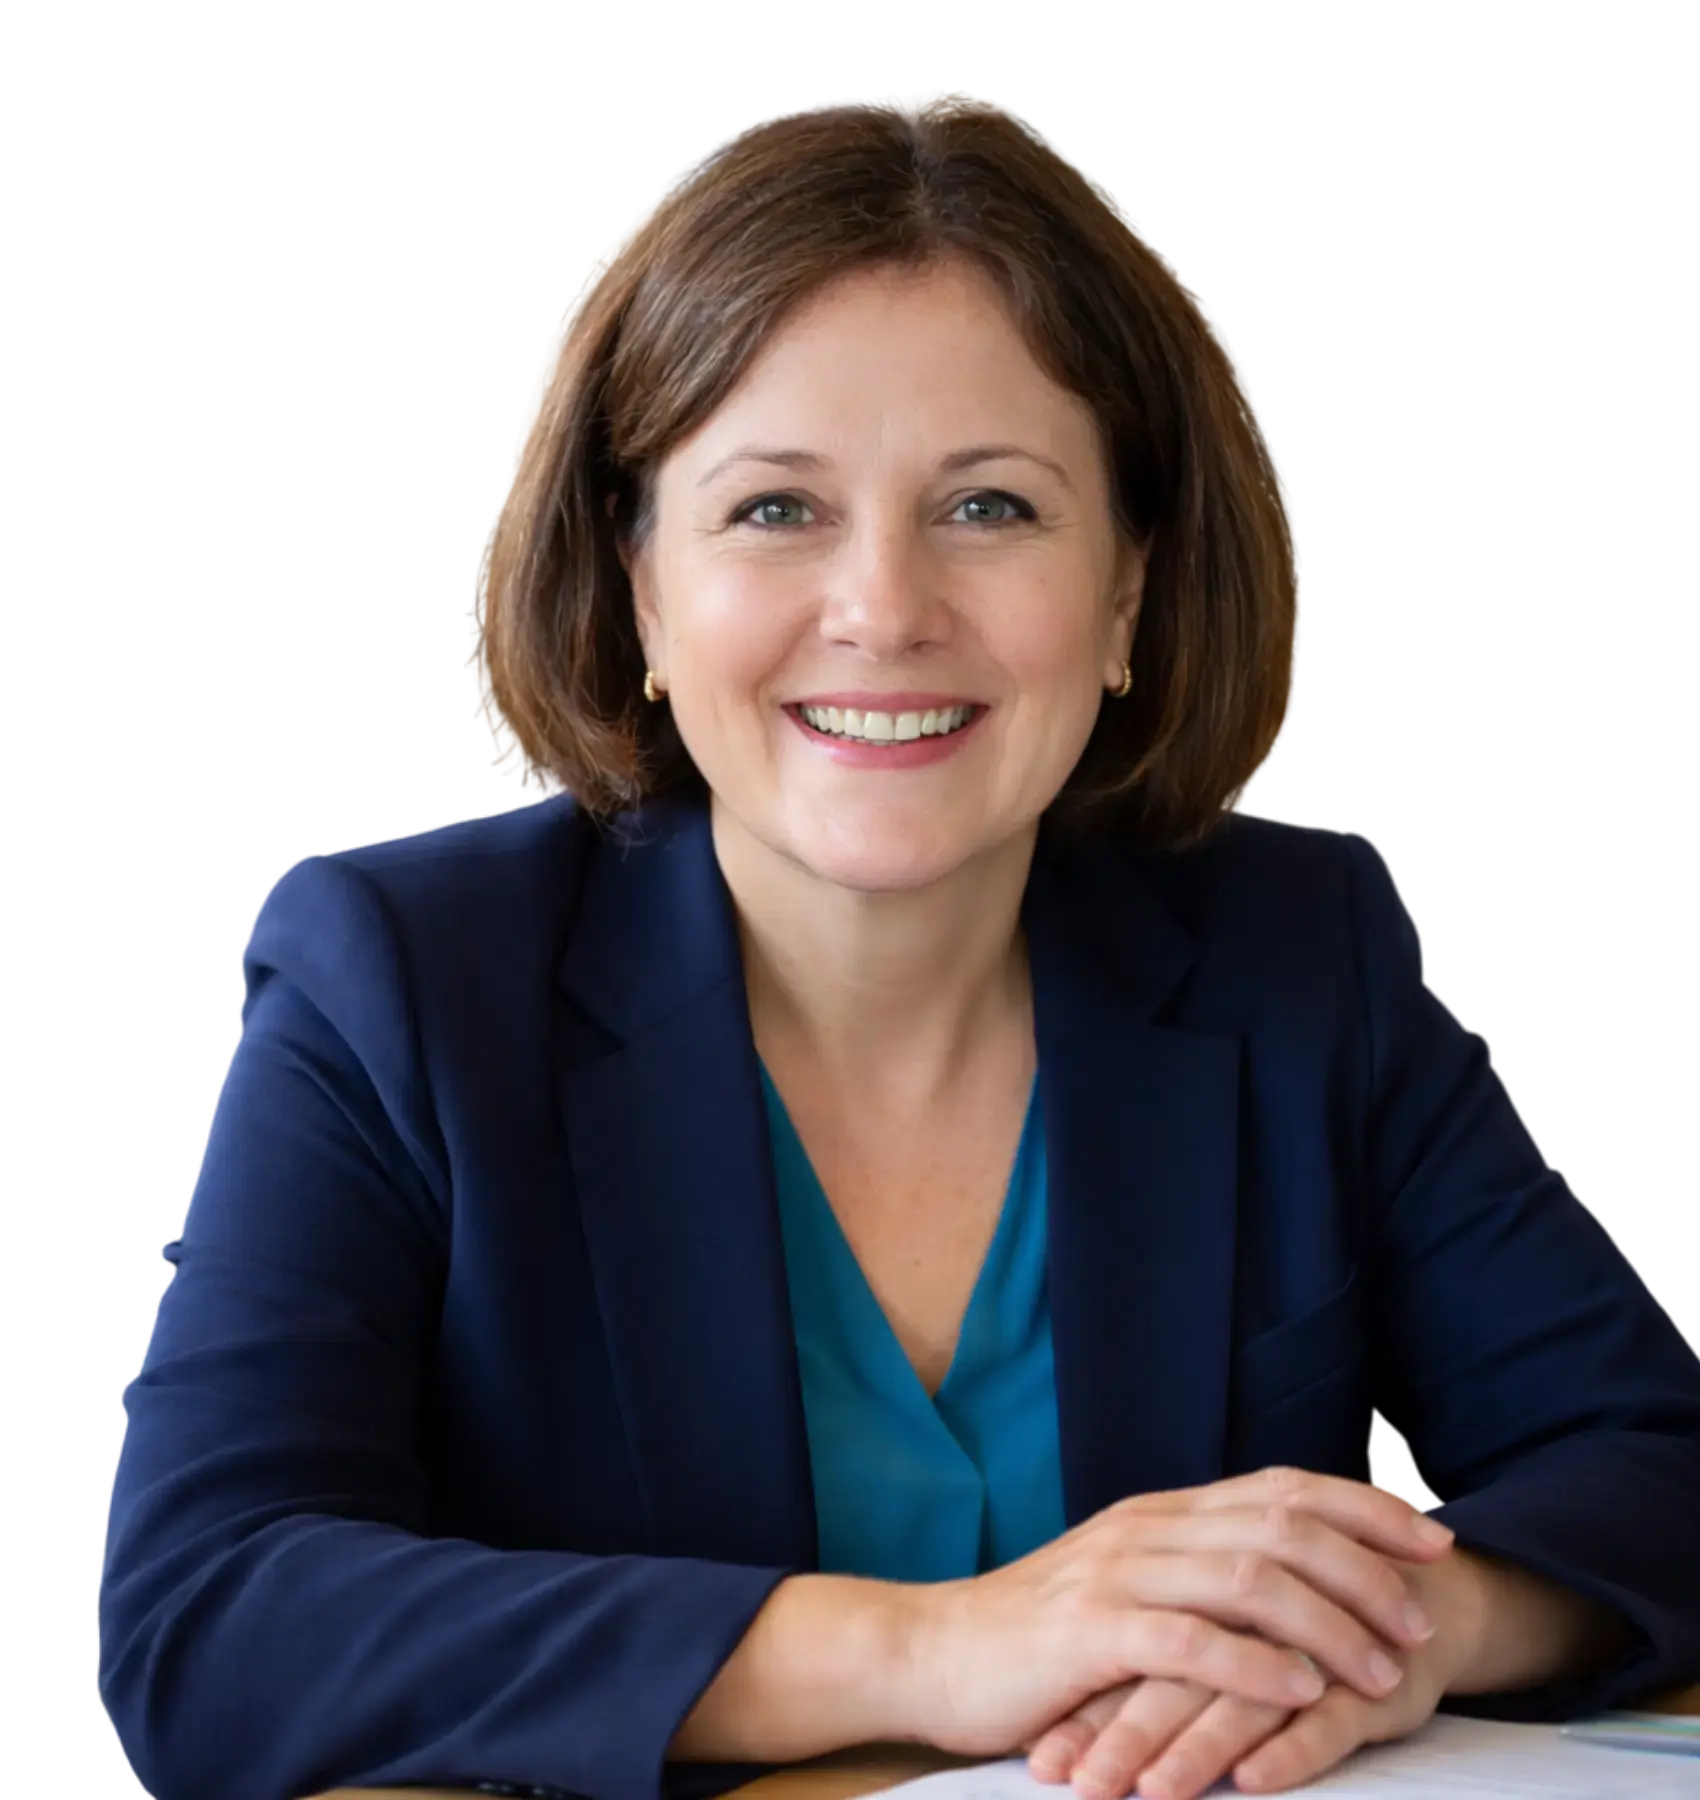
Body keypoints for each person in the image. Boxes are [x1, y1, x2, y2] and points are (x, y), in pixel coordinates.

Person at [96, 94, 1700, 1800]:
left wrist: (1397, 1632)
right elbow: (208, 1615)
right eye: (776, 510)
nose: (885, 607)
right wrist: (942, 1646)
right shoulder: (401, 977)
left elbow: (1657, 1464)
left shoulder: (1298, 953)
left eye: (994, 507)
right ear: (641, 591)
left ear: (1132, 598)